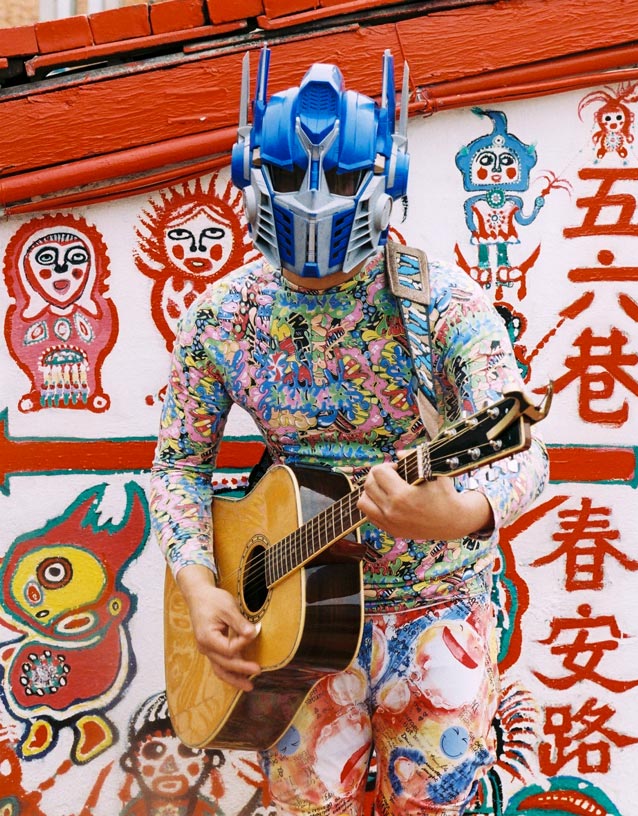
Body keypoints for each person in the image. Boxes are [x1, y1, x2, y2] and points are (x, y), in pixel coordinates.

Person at [149, 49, 549, 814]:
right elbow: (179, 467)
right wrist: (200, 586)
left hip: (436, 616)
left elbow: (529, 451)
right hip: (291, 629)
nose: (314, 274)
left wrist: (462, 513)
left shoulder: (444, 307)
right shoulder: (222, 319)